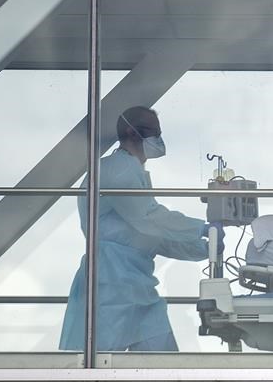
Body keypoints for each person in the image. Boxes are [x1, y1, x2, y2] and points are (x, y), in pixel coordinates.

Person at [59, 106, 223, 352]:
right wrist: (200, 228)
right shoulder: (118, 169)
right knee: (102, 361)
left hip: (138, 285)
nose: (158, 139)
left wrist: (202, 248)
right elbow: (148, 217)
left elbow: (152, 237)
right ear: (131, 132)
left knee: (162, 361)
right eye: (153, 132)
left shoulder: (133, 171)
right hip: (110, 281)